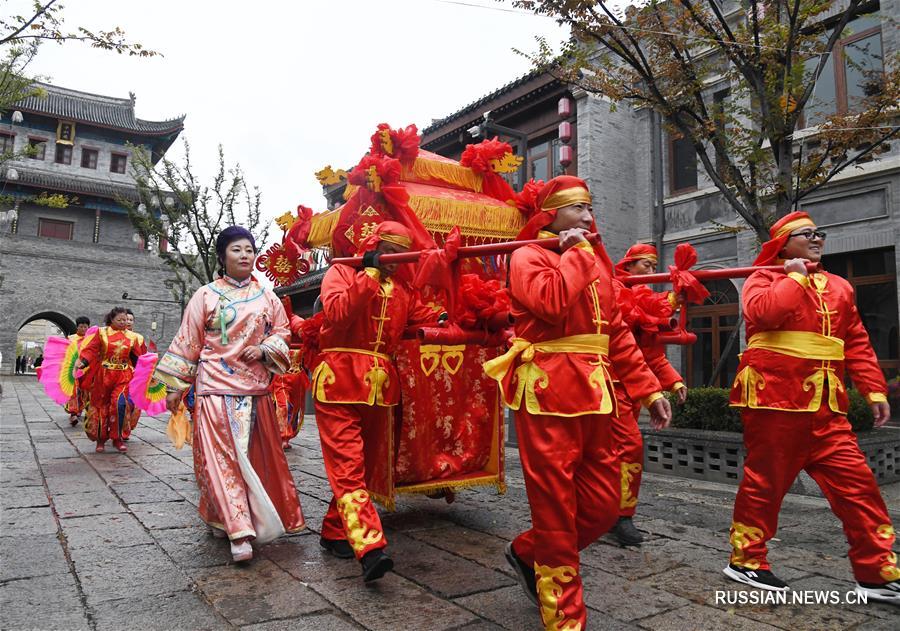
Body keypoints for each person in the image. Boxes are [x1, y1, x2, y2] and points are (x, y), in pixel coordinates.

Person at [484, 176, 672, 629]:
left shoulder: (591, 262)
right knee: (555, 510)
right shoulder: (527, 255)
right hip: (548, 393)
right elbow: (549, 301)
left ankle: (527, 552)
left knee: (604, 507)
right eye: (579, 209)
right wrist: (578, 255)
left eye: (590, 209)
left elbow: (617, 332)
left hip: (598, 394)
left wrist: (648, 388)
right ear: (550, 216)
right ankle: (565, 617)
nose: (589, 218)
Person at [726, 211, 898, 603]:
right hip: (774, 400)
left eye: (820, 233)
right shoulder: (763, 278)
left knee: (859, 487)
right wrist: (796, 276)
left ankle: (876, 572)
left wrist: (874, 390)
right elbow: (765, 314)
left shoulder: (840, 286)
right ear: (784, 243)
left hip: (827, 405)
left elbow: (855, 341)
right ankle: (746, 560)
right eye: (807, 234)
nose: (817, 239)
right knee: (765, 484)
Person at [154, 226, 304, 563]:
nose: (245, 255)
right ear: (222, 257)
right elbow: (188, 341)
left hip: (256, 390)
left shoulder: (268, 296)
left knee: (251, 459)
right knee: (220, 460)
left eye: (249, 249)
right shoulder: (205, 296)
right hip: (215, 388)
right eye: (237, 249)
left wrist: (266, 350)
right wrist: (176, 387)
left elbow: (283, 332)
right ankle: (240, 533)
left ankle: (228, 516)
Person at [311, 220, 439, 582]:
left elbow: (426, 322)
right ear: (374, 245)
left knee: (363, 468)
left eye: (404, 256)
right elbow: (336, 314)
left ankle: (335, 530)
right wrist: (366, 274)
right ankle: (369, 547)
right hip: (338, 380)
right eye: (392, 253)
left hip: (379, 386)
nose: (397, 262)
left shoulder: (403, 289)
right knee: (348, 467)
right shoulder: (340, 272)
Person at [609, 244, 687, 546]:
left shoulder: (648, 302)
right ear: (628, 267)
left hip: (634, 388)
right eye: (645, 265)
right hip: (608, 384)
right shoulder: (614, 292)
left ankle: (622, 514)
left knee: (628, 449)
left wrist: (674, 382)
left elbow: (652, 356)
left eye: (654, 266)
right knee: (622, 447)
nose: (650, 272)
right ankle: (603, 511)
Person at [77, 308, 146, 452]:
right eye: (119, 320)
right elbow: (91, 349)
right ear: (111, 319)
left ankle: (117, 438)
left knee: (119, 404)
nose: (123, 323)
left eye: (125, 320)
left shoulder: (133, 337)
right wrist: (83, 362)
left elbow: (138, 357)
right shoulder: (102, 333)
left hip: (123, 375)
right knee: (101, 407)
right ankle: (101, 439)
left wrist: (147, 370)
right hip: (104, 375)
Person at [65, 316, 91, 426]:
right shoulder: (71, 338)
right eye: (81, 326)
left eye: (85, 327)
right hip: (73, 369)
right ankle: (73, 413)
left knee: (86, 391)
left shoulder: (91, 339)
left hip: (87, 369)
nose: (83, 329)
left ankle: (86, 411)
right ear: (77, 327)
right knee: (74, 391)